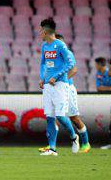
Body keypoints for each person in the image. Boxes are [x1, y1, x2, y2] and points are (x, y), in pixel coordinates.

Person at [38, 18, 79, 156]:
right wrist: (42, 78)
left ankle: (74, 137)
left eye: (41, 30)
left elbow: (70, 63)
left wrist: (56, 75)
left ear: (45, 31)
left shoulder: (60, 45)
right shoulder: (44, 46)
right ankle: (52, 148)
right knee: (49, 116)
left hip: (60, 84)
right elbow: (43, 64)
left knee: (61, 116)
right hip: (48, 85)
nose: (40, 33)